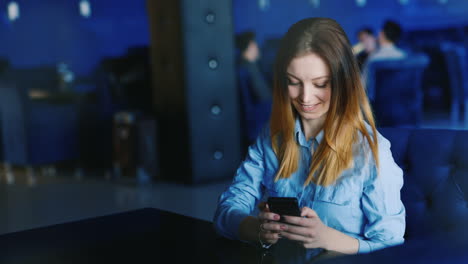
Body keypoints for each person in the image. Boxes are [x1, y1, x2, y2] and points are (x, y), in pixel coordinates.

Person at [213, 17, 405, 257]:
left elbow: (392, 244)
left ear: (342, 82)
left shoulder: (371, 151)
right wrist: (254, 228)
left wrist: (328, 238)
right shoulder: (271, 137)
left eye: (320, 83)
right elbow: (226, 210)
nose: (305, 97)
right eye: (294, 83)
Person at [235, 31, 273, 146]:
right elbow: (264, 96)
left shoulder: (245, 67)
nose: (258, 48)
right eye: (255, 44)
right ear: (250, 46)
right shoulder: (249, 69)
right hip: (258, 129)